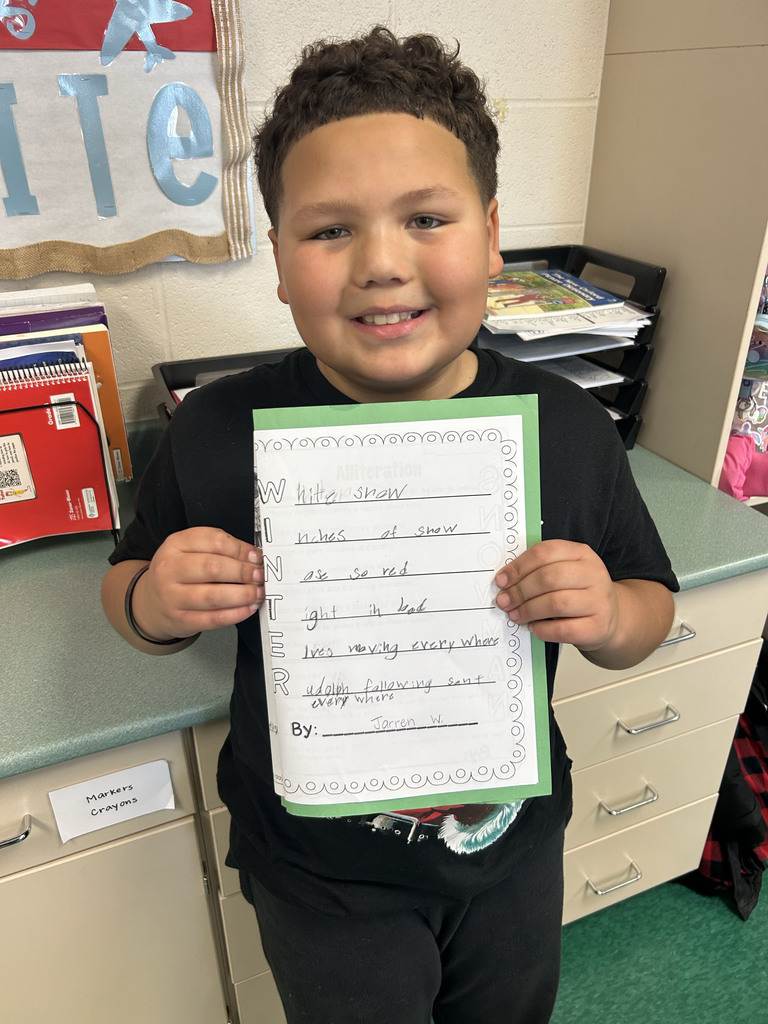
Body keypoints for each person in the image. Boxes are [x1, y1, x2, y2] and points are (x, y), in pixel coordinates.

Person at [102, 26, 677, 1024]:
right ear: (277, 260)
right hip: (318, 871)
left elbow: (650, 606)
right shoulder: (216, 431)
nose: (380, 263)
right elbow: (125, 585)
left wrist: (604, 614)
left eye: (425, 218)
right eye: (328, 231)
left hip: (510, 849)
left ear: (492, 236)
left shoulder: (572, 430)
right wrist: (156, 599)